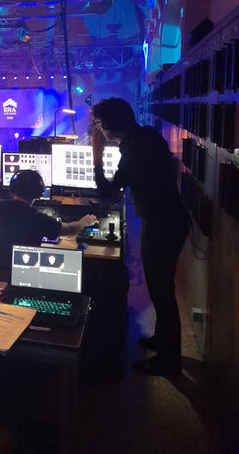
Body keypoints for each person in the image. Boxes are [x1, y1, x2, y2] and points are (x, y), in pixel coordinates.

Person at [91, 97, 191, 376]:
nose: (97, 129)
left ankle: (169, 362)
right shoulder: (143, 136)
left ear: (110, 125)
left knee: (161, 291)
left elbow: (107, 191)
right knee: (162, 287)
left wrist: (96, 155)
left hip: (161, 224)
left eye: (98, 124)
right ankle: (162, 339)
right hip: (168, 219)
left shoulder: (134, 151)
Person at [0, 169, 97, 277]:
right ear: (39, 192)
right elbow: (70, 229)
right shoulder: (38, 219)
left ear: (12, 188)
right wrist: (83, 222)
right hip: (22, 275)